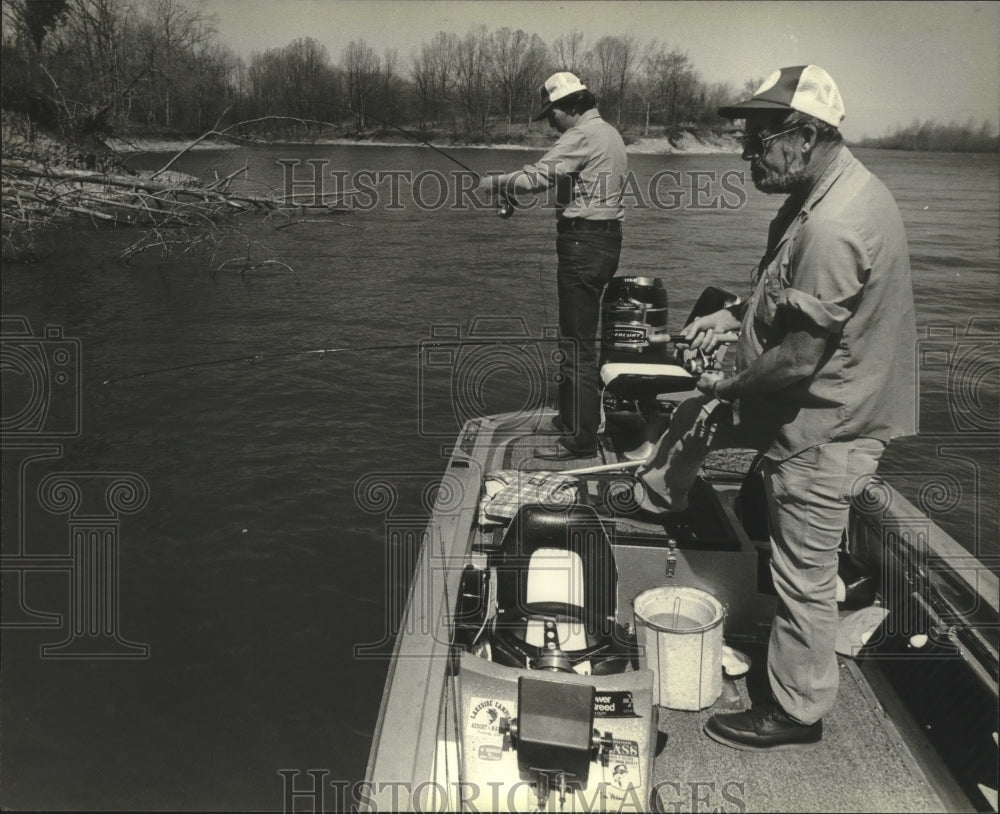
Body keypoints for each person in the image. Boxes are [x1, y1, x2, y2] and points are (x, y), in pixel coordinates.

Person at [634, 65, 917, 750]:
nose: (745, 153)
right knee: (706, 440)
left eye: (758, 141)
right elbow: (785, 293)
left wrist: (723, 387)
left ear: (804, 135)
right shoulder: (821, 193)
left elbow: (796, 358)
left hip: (828, 424)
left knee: (803, 577)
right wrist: (731, 317)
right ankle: (656, 499)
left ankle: (795, 712)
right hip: (810, 407)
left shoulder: (837, 224)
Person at [479, 72, 627, 460]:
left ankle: (581, 440)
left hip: (582, 244)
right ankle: (569, 418)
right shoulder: (609, 133)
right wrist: (513, 192)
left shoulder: (581, 135)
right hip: (604, 242)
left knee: (577, 344)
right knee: (574, 336)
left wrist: (495, 182)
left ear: (573, 106)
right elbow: (574, 183)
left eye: (552, 113)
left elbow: (536, 179)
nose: (550, 122)